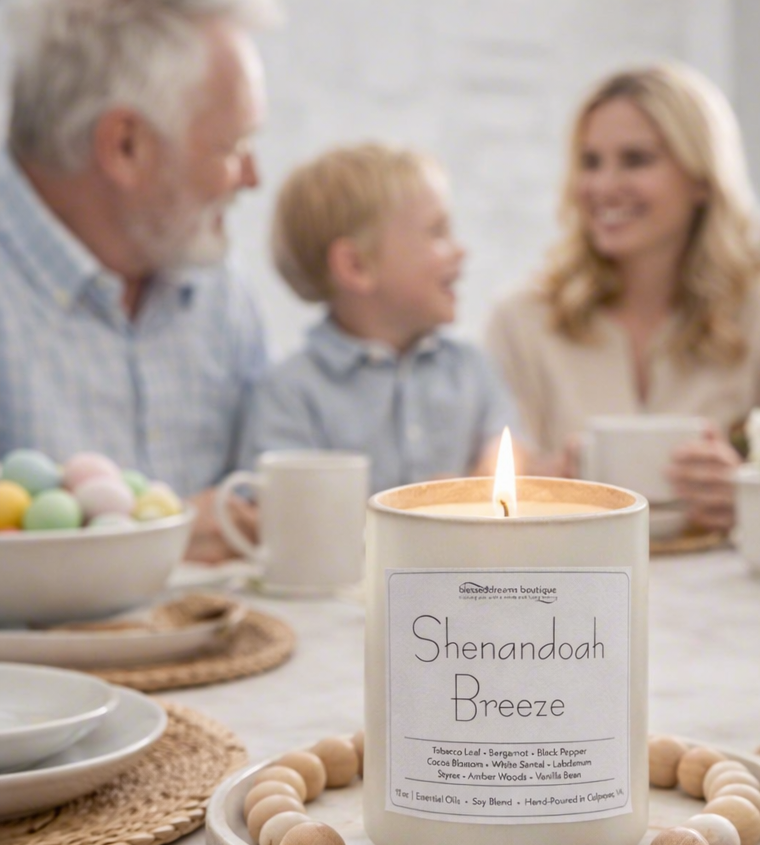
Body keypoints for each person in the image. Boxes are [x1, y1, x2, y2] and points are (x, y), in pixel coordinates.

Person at [485, 64, 760, 532]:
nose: (603, 186)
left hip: (728, 592)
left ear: (701, 178)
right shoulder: (521, 320)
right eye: (590, 162)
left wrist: (748, 493)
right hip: (572, 587)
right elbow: (483, 487)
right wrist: (542, 488)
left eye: (635, 159)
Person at [0, 0, 275, 562]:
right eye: (231, 148)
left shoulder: (218, 291)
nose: (252, 178)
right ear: (125, 146)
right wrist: (158, 541)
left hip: (227, 645)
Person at [240, 143, 522, 494]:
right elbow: (282, 514)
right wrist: (410, 516)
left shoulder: (472, 369)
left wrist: (486, 482)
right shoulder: (290, 395)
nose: (460, 250)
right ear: (356, 266)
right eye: (437, 232)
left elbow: (507, 456)